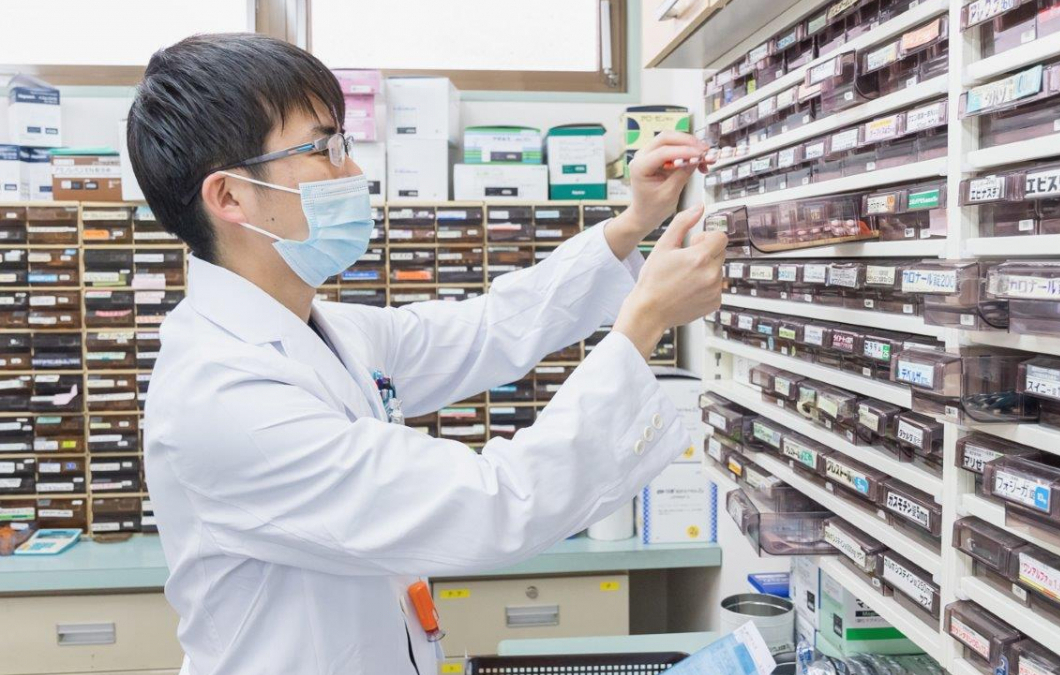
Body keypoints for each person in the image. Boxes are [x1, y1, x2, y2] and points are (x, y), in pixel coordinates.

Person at [127, 33, 726, 675]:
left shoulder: (323, 331)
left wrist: (632, 222)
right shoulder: (223, 397)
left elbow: (488, 327)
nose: (353, 172)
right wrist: (643, 325)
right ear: (231, 197)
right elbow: (498, 503)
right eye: (325, 148)